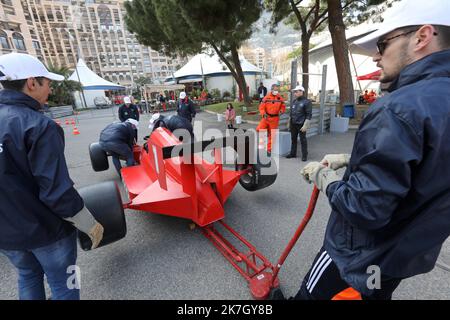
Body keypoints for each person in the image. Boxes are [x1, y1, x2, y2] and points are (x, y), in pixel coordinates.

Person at [292, 0, 450, 300]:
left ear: (421, 37)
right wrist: (353, 160)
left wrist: (324, 177)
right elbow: (429, 166)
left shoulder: (400, 107)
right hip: (403, 254)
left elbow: (364, 209)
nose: (377, 57)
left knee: (310, 295)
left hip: (358, 251)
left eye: (383, 43)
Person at [0, 53, 104, 300]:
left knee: (28, 277)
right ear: (31, 83)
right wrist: (88, 223)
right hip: (47, 231)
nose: (51, 87)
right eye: (47, 81)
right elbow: (56, 191)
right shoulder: (38, 126)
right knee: (66, 284)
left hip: (7, 234)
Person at [256, 83, 286, 153]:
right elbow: (261, 107)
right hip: (266, 117)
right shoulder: (266, 97)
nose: (276, 91)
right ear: (271, 89)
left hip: (275, 118)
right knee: (260, 130)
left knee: (272, 134)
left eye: (277, 90)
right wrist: (263, 114)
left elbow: (283, 106)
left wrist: (281, 111)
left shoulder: (280, 98)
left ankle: (269, 149)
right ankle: (261, 146)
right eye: (275, 90)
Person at [286, 85, 312, 161]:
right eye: (294, 92)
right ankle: (293, 153)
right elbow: (291, 113)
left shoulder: (307, 102)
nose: (295, 93)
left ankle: (304, 155)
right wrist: (289, 122)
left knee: (303, 140)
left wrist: (305, 125)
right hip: (293, 124)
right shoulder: (294, 101)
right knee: (293, 139)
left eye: (296, 92)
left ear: (301, 92)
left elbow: (309, 114)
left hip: (301, 124)